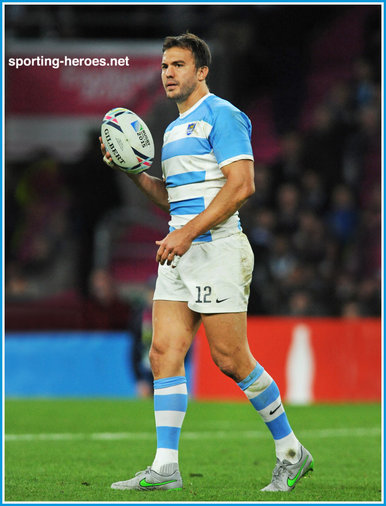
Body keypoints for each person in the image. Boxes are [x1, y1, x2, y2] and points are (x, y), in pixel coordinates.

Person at [100, 32, 313, 493]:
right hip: (181, 251)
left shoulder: (223, 114)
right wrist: (134, 172)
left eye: (178, 65)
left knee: (231, 359)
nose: (169, 73)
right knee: (162, 353)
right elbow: (173, 200)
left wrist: (186, 233)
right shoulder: (173, 130)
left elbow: (242, 185)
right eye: (164, 66)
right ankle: (165, 466)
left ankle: (292, 451)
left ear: (202, 71)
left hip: (217, 248)